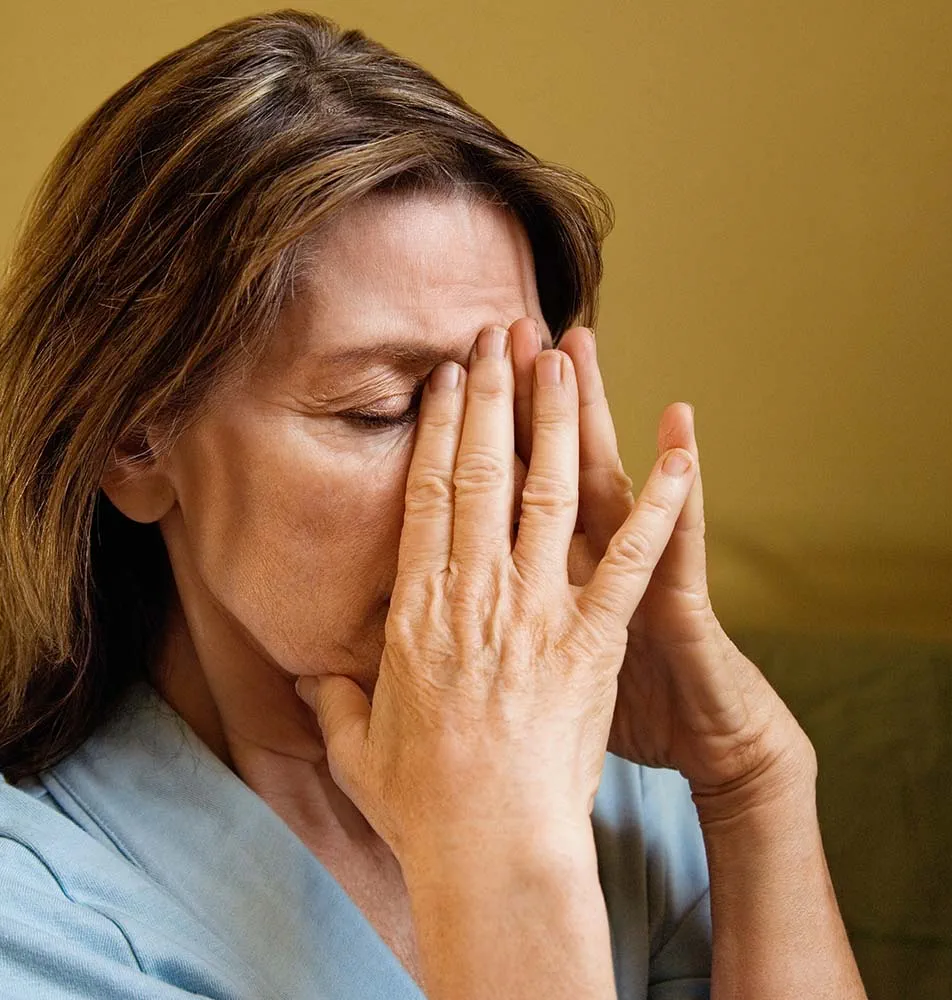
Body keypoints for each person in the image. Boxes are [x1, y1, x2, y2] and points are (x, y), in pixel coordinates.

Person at [0, 11, 866, 999]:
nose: (482, 478)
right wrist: (494, 852)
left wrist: (754, 784)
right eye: (384, 409)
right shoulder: (35, 917)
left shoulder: (620, 780)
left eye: (515, 394)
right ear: (136, 440)